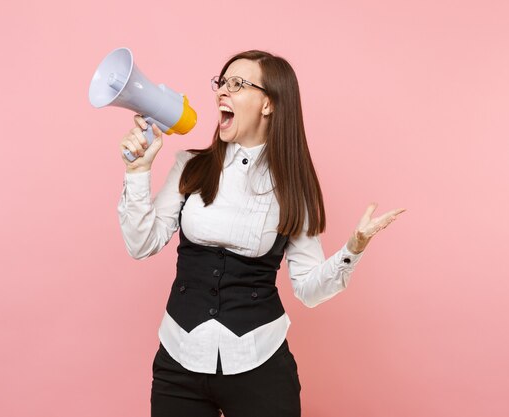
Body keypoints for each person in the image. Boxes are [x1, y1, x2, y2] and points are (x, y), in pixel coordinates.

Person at [117, 50, 405, 417]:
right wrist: (138, 173)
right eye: (221, 83)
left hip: (259, 363)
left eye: (237, 84)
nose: (223, 91)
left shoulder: (291, 190)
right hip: (179, 360)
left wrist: (353, 248)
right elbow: (141, 244)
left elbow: (309, 290)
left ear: (268, 104)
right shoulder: (189, 166)